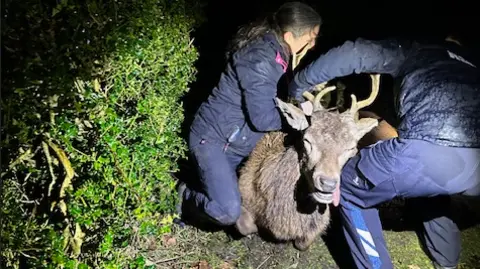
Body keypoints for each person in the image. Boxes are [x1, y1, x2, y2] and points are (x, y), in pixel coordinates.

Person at [288, 35, 480, 269]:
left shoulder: (416, 52)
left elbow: (355, 52)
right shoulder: (472, 62)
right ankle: (446, 258)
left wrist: (297, 85)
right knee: (431, 187)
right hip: (473, 169)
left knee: (348, 186)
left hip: (429, 151)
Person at [176, 2, 322, 227]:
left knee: (234, 200)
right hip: (214, 140)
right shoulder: (260, 59)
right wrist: (299, 119)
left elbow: (279, 95)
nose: (312, 45)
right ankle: (182, 196)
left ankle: (195, 191)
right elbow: (262, 118)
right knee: (228, 211)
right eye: (310, 38)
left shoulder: (280, 56)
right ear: (290, 35)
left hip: (234, 144)